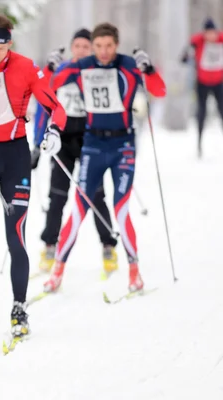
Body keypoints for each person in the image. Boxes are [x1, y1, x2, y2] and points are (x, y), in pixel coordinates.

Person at [0, 14, 66, 345]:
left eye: (0, 48)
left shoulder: (25, 67)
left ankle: (19, 310)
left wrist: (53, 131)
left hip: (16, 156)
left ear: (10, 45)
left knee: (15, 236)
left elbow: (55, 107)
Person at [41, 22, 166, 294]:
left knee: (121, 210)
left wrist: (150, 68)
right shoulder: (83, 64)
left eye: (109, 46)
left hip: (122, 145)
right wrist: (51, 66)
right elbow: (48, 86)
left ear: (116, 45)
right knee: (78, 209)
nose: (104, 52)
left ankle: (134, 272)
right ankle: (57, 272)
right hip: (93, 144)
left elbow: (160, 90)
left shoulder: (128, 64)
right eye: (98, 46)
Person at [32, 28, 118, 276]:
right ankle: (50, 246)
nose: (81, 50)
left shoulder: (95, 72)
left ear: (91, 50)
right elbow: (43, 107)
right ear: (72, 48)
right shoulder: (61, 71)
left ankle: (108, 245)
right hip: (63, 139)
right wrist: (38, 144)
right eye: (77, 46)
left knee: (96, 194)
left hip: (91, 140)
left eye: (86, 47)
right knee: (57, 195)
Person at [181, 17, 223, 157]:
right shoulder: (197, 41)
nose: (211, 36)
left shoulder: (221, 39)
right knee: (201, 112)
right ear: (204, 33)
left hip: (219, 81)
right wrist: (187, 54)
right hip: (202, 82)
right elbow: (184, 57)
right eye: (208, 33)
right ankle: (199, 144)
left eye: (213, 33)